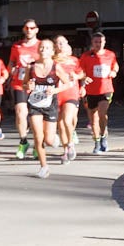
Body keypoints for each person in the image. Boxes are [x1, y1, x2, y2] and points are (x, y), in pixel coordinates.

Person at [23, 39, 63, 179]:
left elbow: (68, 83)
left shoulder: (56, 67)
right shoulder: (31, 67)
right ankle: (43, 166)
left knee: (49, 140)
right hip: (34, 105)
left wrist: (55, 90)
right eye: (41, 47)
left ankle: (54, 139)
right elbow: (24, 84)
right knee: (38, 137)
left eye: (47, 48)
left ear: (52, 52)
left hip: (50, 105)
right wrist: (28, 86)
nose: (43, 50)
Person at [77, 31, 119, 154]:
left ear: (104, 42)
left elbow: (115, 66)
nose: (98, 44)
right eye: (96, 42)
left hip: (106, 89)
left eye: (101, 42)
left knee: (102, 113)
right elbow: (80, 71)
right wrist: (84, 78)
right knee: (93, 118)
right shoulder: (85, 56)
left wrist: (114, 72)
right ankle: (97, 142)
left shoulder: (110, 55)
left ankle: (104, 137)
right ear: (92, 43)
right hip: (90, 91)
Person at [7, 20, 42, 159]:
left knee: (35, 117)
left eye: (32, 28)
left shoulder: (41, 46)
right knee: (21, 113)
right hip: (20, 83)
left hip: (37, 85)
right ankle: (23, 142)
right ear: (23, 29)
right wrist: (11, 70)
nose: (29, 30)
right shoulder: (17, 46)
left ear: (36, 30)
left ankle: (37, 145)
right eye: (26, 28)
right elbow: (11, 63)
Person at [53, 34, 85, 162]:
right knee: (60, 123)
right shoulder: (52, 60)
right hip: (56, 93)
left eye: (63, 43)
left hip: (71, 92)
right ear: (55, 46)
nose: (61, 45)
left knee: (67, 119)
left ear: (67, 45)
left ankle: (70, 142)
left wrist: (76, 77)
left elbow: (82, 73)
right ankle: (66, 149)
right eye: (58, 43)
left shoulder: (74, 60)